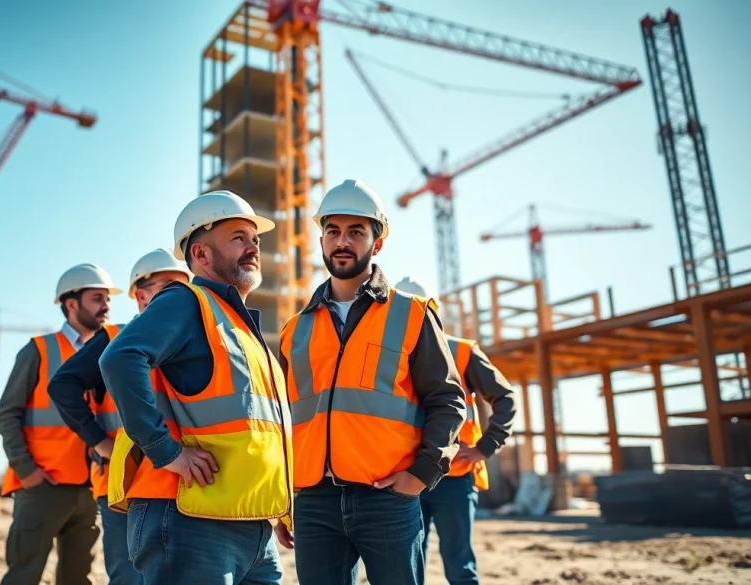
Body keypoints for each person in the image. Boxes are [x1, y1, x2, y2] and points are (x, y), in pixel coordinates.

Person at [274, 179, 468, 585]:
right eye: (332, 231)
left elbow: (448, 401)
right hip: (313, 501)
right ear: (322, 241)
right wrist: (281, 494)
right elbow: (282, 421)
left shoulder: (412, 313)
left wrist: (421, 475)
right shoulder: (295, 329)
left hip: (388, 498)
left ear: (376, 244)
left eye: (356, 232)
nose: (342, 241)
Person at [99, 190, 293, 585]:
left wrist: (281, 507)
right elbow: (119, 358)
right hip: (188, 519)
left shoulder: (238, 326)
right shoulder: (186, 301)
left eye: (254, 238)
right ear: (201, 254)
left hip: (249, 521)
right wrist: (164, 450)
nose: (253, 247)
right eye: (238, 237)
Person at [47, 249, 192, 585]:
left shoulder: (191, 341)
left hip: (181, 480)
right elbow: (62, 386)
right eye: (168, 287)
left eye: (184, 287)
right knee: (130, 577)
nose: (180, 296)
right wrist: (100, 443)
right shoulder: (114, 338)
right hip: (125, 484)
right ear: (141, 296)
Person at [0, 263, 122, 585]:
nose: (106, 306)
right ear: (72, 304)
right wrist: (26, 471)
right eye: (97, 298)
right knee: (23, 575)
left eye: (107, 299)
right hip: (43, 485)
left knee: (77, 578)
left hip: (90, 487)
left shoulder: (111, 351)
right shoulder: (39, 350)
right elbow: (6, 413)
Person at [395, 276, 518, 585]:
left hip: (453, 476)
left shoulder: (461, 352)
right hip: (403, 476)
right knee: (405, 569)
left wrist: (484, 448)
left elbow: (505, 397)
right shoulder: (387, 353)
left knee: (460, 567)